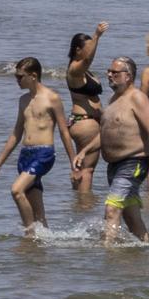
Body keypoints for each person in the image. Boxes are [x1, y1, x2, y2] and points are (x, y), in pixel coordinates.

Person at [0, 57, 77, 235]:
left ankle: (29, 235)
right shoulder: (23, 100)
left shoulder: (52, 98)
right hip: (25, 155)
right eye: (16, 76)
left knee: (16, 190)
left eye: (20, 77)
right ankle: (45, 244)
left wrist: (73, 161)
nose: (17, 80)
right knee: (38, 212)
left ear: (33, 76)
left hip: (44, 154)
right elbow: (15, 134)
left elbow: (64, 131)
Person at [99, 57, 149, 245]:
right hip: (114, 166)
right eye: (109, 71)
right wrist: (84, 151)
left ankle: (108, 253)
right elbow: (106, 132)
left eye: (115, 72)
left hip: (133, 162)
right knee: (131, 217)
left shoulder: (137, 97)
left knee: (111, 208)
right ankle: (146, 248)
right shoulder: (114, 99)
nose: (109, 75)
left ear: (128, 76)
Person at [66, 25, 106, 193]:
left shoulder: (86, 72)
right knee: (87, 169)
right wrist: (97, 35)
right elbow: (88, 59)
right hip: (85, 123)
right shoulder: (75, 69)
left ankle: (79, 204)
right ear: (77, 50)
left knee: (81, 167)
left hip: (89, 122)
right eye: (87, 47)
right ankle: (84, 206)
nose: (91, 51)